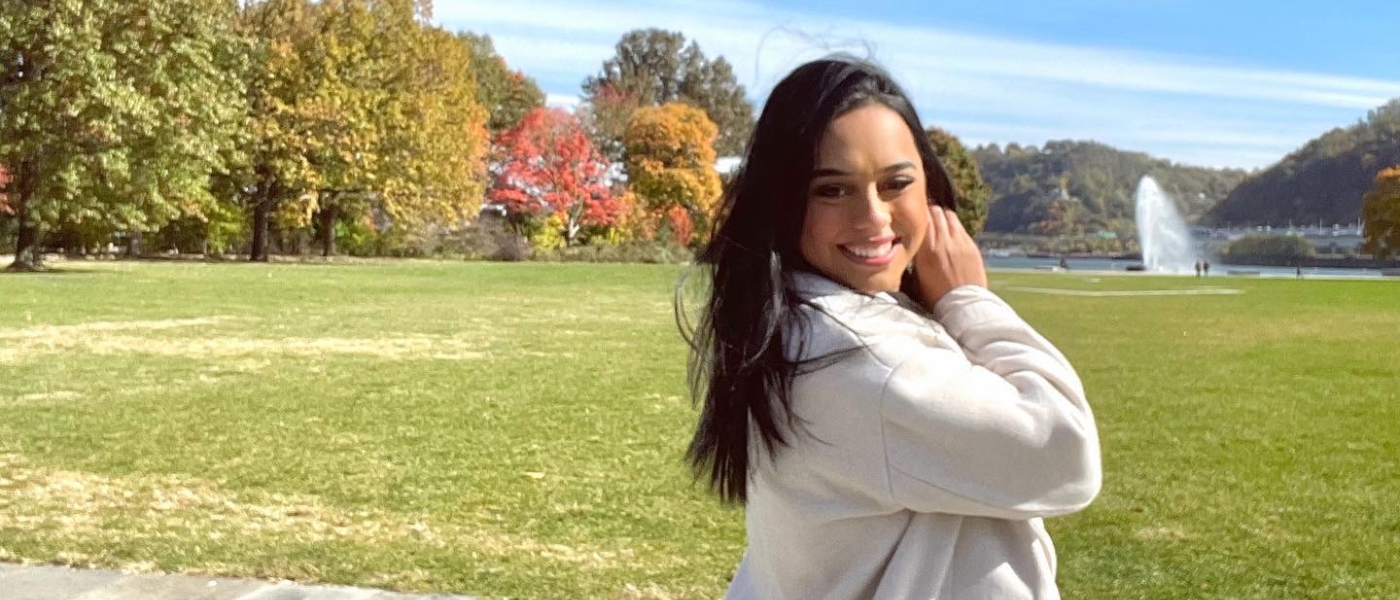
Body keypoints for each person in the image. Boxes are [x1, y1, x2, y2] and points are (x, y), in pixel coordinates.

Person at [678, 56, 1102, 600]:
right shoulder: (867, 360)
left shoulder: (787, 327)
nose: (874, 216)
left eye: (896, 182)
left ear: (929, 187)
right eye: (832, 189)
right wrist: (969, 300)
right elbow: (1064, 454)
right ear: (784, 203)